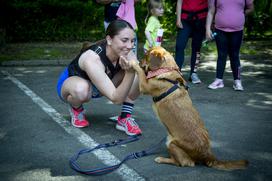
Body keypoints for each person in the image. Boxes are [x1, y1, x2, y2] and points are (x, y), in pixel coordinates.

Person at [56, 20, 142, 136]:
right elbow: (116, 99)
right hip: (72, 85)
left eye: (132, 41)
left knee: (139, 73)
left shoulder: (127, 52)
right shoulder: (92, 59)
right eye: (124, 40)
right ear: (109, 40)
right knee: (81, 90)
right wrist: (129, 73)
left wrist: (133, 70)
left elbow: (134, 82)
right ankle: (76, 108)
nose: (130, 46)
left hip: (101, 86)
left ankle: (124, 117)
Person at [206, 0, 254, 91]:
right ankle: (219, 80)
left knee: (235, 55)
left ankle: (237, 81)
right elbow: (211, 10)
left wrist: (240, 13)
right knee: (221, 55)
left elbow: (251, 8)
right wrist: (207, 29)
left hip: (237, 30)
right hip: (220, 30)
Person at [175, 0, 208, 84]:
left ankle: (193, 73)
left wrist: (210, 23)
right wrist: (178, 19)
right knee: (179, 46)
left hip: (201, 18)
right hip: (185, 19)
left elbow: (212, 5)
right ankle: (177, 73)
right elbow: (179, 1)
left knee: (197, 48)